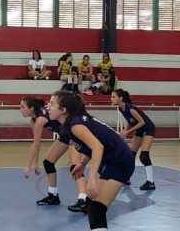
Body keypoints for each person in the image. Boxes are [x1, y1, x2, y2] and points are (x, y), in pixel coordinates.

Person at [49, 91, 135, 231]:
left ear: (63, 110)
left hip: (120, 161)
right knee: (91, 205)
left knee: (96, 209)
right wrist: (82, 164)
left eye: (52, 104)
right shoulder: (70, 125)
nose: (48, 106)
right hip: (112, 160)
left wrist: (93, 178)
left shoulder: (75, 125)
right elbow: (93, 145)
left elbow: (97, 146)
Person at [19, 96, 88, 213]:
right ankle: (53, 196)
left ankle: (84, 199)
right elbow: (37, 144)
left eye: (22, 107)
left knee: (75, 166)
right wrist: (35, 164)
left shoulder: (40, 120)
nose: (20, 109)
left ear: (31, 108)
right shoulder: (33, 120)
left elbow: (35, 145)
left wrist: (29, 166)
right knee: (48, 163)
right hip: (65, 135)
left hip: (74, 134)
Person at [112, 89, 156, 191]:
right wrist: (125, 130)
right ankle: (126, 178)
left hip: (147, 128)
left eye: (113, 97)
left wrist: (127, 132)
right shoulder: (120, 108)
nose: (111, 99)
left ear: (120, 98)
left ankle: (151, 182)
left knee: (144, 156)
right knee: (130, 155)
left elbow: (142, 122)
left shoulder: (131, 108)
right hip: (139, 130)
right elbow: (130, 120)